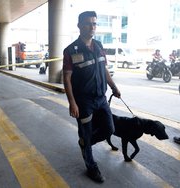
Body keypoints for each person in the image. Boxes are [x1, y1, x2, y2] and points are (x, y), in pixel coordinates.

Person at [63, 11, 121, 183]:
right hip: (83, 101)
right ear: (79, 25)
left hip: (101, 98)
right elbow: (66, 78)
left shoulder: (98, 45)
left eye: (94, 23)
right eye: (88, 23)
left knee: (109, 128)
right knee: (86, 133)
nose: (92, 27)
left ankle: (84, 143)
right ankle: (91, 166)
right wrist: (72, 103)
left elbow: (104, 69)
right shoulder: (70, 50)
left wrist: (114, 87)